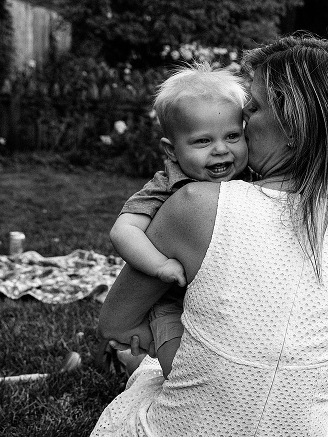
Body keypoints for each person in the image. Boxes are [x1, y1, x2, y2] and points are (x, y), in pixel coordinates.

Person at [6, 34, 328, 437]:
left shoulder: (199, 203)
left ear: (294, 125)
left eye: (250, 109)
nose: (238, 121)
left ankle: (138, 371)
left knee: (150, 372)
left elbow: (114, 323)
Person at [105, 62, 248, 377]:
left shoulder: (250, 178)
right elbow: (124, 230)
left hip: (223, 302)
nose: (221, 150)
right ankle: (137, 368)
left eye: (233, 135)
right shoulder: (168, 183)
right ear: (171, 150)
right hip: (172, 301)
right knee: (180, 370)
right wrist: (159, 265)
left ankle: (134, 362)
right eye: (202, 141)